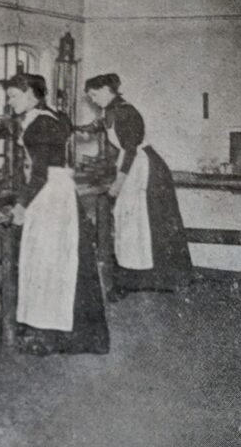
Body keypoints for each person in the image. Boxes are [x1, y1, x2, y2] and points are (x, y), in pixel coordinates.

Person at [7, 73, 109, 356]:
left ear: (30, 94)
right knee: (60, 262)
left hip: (49, 194)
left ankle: (49, 335)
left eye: (13, 96)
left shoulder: (39, 124)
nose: (10, 102)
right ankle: (54, 330)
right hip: (60, 191)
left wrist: (21, 206)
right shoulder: (54, 116)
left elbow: (38, 173)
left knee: (48, 264)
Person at [82, 73, 193, 299]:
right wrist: (77, 128)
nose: (93, 100)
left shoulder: (126, 112)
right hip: (134, 165)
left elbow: (130, 150)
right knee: (130, 223)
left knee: (145, 222)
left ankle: (155, 281)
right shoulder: (111, 111)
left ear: (106, 90)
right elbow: (98, 126)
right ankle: (132, 280)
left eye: (94, 94)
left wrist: (118, 184)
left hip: (145, 169)